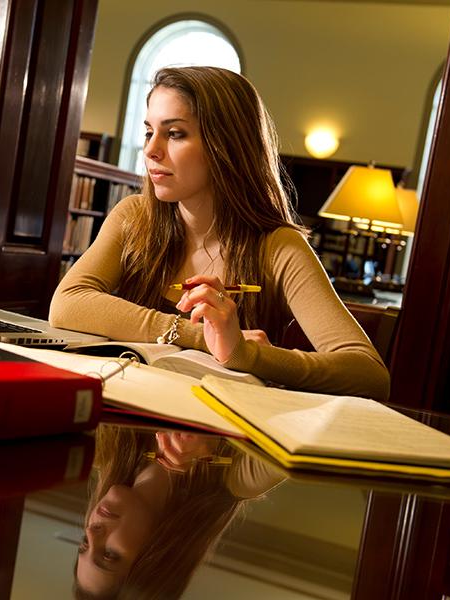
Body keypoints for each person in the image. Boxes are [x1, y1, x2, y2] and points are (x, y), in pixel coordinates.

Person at [50, 66, 389, 400]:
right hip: (123, 429)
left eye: (175, 133)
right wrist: (197, 335)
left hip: (224, 445)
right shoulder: (133, 216)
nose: (151, 150)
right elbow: (67, 303)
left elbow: (370, 375)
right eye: (149, 131)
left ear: (224, 145)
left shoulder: (278, 246)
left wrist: (245, 353)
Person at [74, 424, 284, 599]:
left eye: (84, 544)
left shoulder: (100, 448)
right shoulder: (241, 477)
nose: (92, 532)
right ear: (158, 558)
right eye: (109, 555)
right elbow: (309, 413)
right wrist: (215, 432)